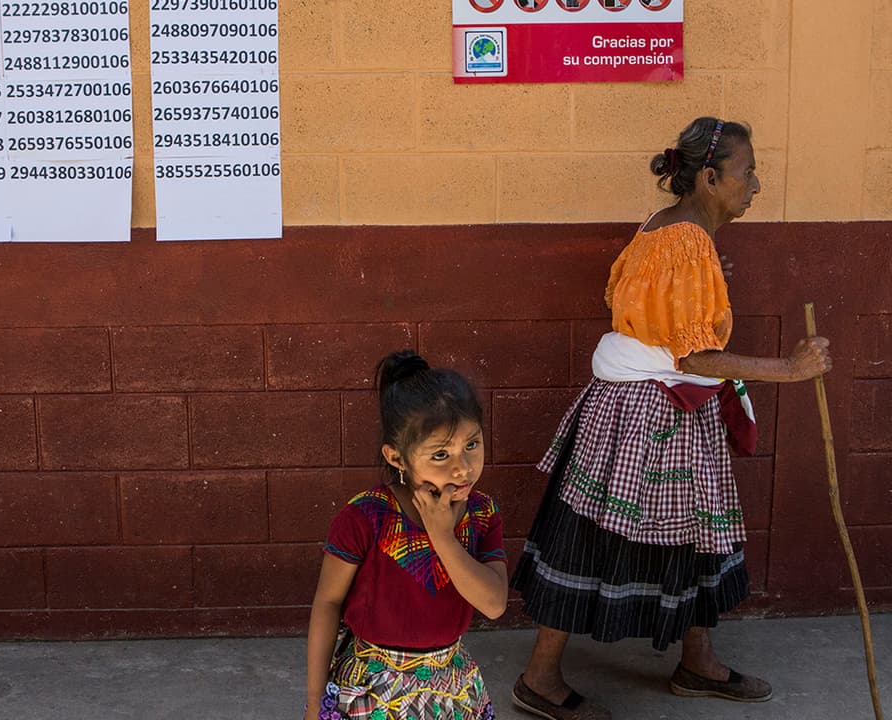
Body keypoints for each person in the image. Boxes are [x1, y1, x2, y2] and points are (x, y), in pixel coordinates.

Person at [509, 117, 832, 719]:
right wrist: (790, 368)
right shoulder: (686, 239)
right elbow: (694, 353)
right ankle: (540, 680)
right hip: (649, 414)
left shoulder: (664, 230)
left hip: (645, 409)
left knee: (693, 536)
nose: (756, 185)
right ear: (709, 177)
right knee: (591, 540)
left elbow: (634, 300)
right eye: (748, 172)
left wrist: (703, 283)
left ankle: (697, 662)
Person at [304, 351, 509, 720]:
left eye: (472, 445)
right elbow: (327, 603)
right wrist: (315, 703)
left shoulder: (481, 514)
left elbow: (494, 604)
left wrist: (443, 536)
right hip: (372, 688)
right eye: (441, 454)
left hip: (451, 685)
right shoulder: (366, 516)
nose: (462, 468)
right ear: (397, 458)